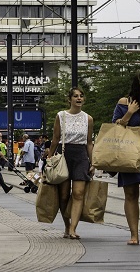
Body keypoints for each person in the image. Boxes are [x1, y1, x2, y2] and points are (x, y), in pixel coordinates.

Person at [113, 70, 140, 245]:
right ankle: (134, 234)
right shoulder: (125, 102)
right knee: (130, 194)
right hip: (129, 153)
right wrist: (129, 113)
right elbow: (115, 125)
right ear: (139, 84)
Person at [48, 87, 94, 240]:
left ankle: (73, 228)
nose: (79, 98)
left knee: (78, 193)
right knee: (63, 195)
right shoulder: (61, 116)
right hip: (64, 154)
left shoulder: (88, 118)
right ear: (70, 99)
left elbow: (89, 142)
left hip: (81, 156)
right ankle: (67, 225)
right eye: (75, 96)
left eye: (81, 96)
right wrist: (49, 159)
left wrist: (92, 162)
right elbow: (55, 139)